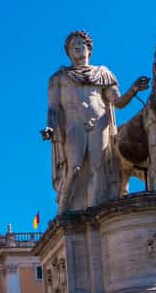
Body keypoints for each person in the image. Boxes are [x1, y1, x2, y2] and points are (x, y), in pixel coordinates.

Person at [42, 30, 149, 211]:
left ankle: (95, 213)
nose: (77, 47)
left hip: (99, 121)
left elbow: (118, 102)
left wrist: (133, 90)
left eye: (81, 44)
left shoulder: (103, 73)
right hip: (73, 123)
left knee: (98, 168)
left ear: (89, 49)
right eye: (72, 45)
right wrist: (50, 128)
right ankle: (64, 210)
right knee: (74, 167)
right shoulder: (58, 78)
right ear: (68, 52)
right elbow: (53, 109)